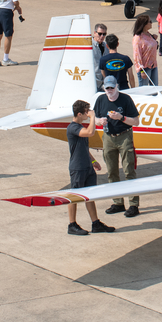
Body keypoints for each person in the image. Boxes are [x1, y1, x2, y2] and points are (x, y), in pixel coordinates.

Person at [94, 77, 141, 218]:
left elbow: (136, 121)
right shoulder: (101, 100)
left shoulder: (125, 99)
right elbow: (94, 117)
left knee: (129, 170)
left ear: (117, 87)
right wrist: (99, 121)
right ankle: (117, 202)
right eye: (107, 88)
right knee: (112, 171)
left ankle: (133, 204)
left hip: (124, 136)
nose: (109, 91)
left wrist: (121, 117)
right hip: (108, 137)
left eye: (112, 88)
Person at [65, 101, 113, 236]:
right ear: (79, 114)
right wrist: (93, 117)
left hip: (87, 166)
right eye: (87, 111)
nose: (89, 112)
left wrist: (93, 161)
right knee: (73, 196)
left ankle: (95, 223)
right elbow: (90, 132)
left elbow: (84, 147)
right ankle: (72, 224)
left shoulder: (80, 126)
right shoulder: (73, 127)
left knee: (90, 196)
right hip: (78, 168)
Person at [132, 14, 158, 87]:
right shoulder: (138, 38)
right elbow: (137, 57)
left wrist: (154, 39)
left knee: (155, 89)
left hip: (153, 66)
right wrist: (142, 71)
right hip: (145, 69)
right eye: (149, 21)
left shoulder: (148, 34)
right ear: (144, 24)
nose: (151, 23)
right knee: (144, 90)